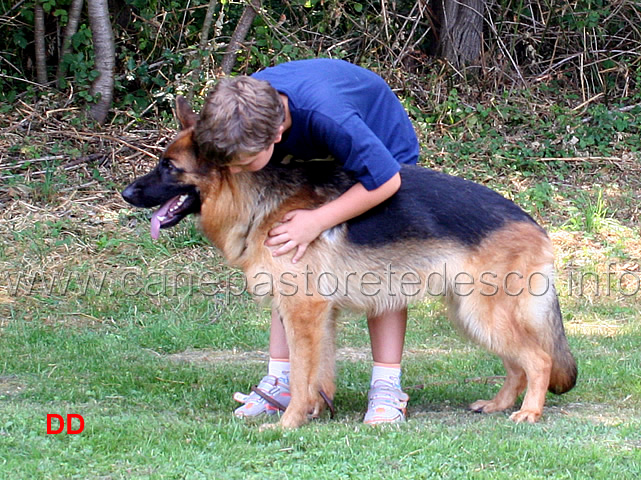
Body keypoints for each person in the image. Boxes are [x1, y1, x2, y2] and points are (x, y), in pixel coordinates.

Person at [194, 58, 419, 424]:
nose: (233, 173)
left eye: (242, 164)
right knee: (283, 255)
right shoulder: (242, 111)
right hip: (310, 150)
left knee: (382, 267)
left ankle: (386, 386)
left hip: (380, 146)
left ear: (276, 136)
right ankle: (284, 381)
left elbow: (386, 181)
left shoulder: (328, 115)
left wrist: (318, 220)